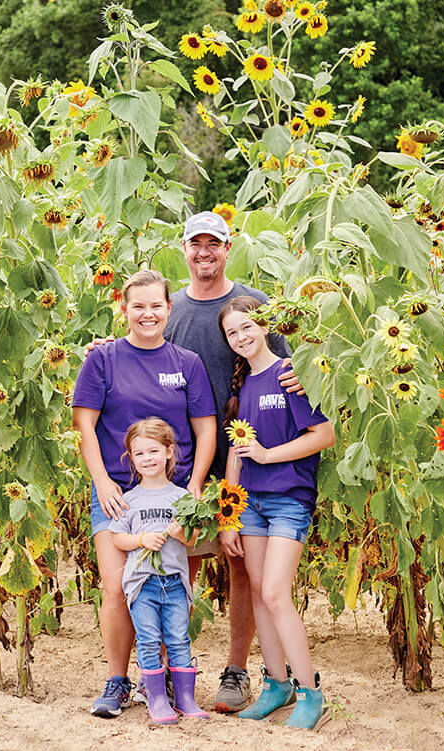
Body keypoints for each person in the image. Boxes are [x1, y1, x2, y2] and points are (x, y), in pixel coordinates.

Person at [86, 210, 303, 712]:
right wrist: (104, 347)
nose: (205, 252)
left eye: (215, 243)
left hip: (247, 457)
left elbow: (285, 360)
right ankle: (157, 673)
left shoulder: (250, 303)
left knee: (243, 567)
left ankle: (236, 670)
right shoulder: (172, 306)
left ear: (229, 249)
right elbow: (145, 350)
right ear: (184, 250)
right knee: (173, 561)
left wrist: (299, 376)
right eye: (195, 244)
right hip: (186, 466)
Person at [72, 269, 217, 717]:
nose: (148, 313)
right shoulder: (104, 359)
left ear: (169, 309)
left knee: (174, 587)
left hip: (175, 494)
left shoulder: (186, 362)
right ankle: (117, 680)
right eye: (138, 306)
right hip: (119, 491)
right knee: (117, 587)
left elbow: (206, 429)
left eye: (156, 305)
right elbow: (85, 424)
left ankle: (170, 682)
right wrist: (101, 481)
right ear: (125, 309)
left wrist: (193, 488)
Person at [218, 296, 335, 730]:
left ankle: (310, 692)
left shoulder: (290, 374)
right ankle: (276, 685)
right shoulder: (242, 386)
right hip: (251, 506)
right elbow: (236, 454)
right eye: (232, 333)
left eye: (247, 327)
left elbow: (324, 435)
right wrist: (229, 515)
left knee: (275, 593)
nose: (241, 336)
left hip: (289, 499)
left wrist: (268, 457)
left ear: (264, 326)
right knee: (258, 591)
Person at [108, 418, 210, 725]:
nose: (147, 459)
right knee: (149, 639)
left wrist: (180, 534)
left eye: (153, 451)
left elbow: (192, 540)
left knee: (179, 638)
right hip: (143, 585)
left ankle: (186, 699)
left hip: (175, 582)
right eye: (139, 454)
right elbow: (117, 537)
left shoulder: (181, 497)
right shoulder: (129, 500)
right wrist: (141, 540)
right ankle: (156, 700)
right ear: (131, 459)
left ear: (169, 452)